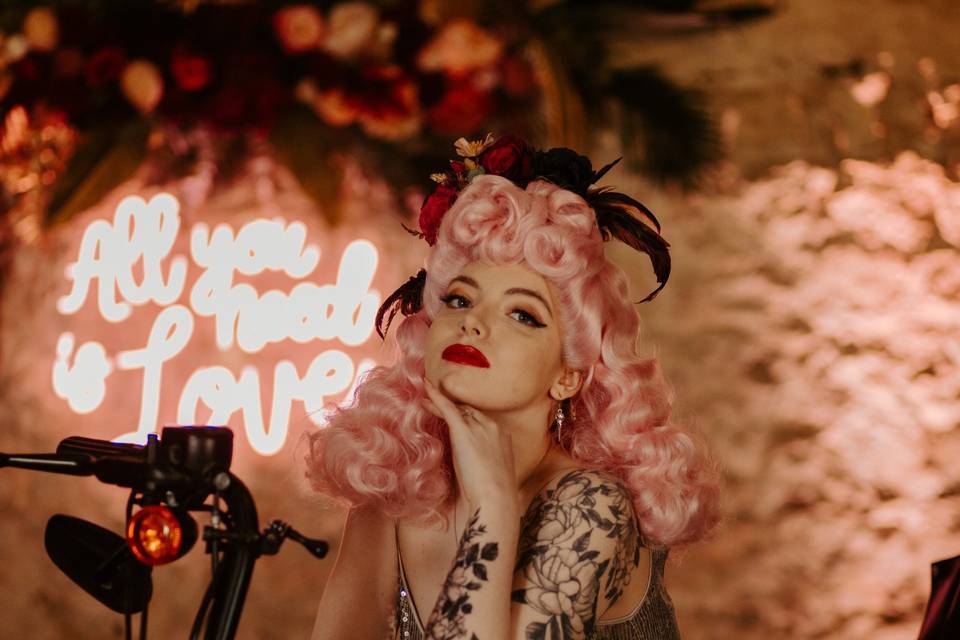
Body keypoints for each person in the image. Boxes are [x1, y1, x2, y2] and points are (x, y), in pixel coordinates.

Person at [304, 134, 721, 640]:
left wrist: (494, 510)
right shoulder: (389, 507)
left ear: (568, 375)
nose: (473, 324)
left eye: (522, 314)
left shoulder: (590, 506)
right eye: (459, 301)